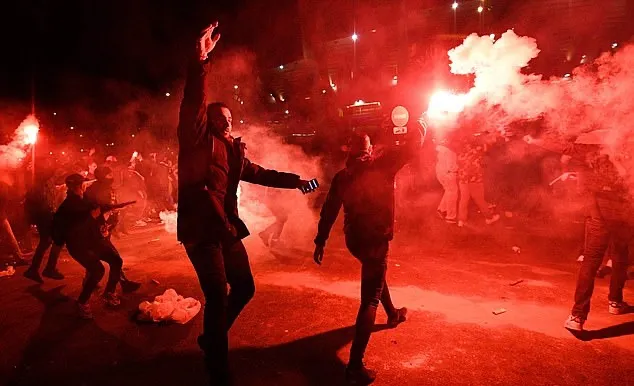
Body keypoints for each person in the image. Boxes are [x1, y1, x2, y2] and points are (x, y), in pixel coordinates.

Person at [177, 22, 318, 385]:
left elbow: (260, 172)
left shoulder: (233, 150)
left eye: (230, 118)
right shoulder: (197, 143)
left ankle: (213, 338)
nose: (228, 121)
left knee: (245, 288)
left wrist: (297, 181)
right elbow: (193, 101)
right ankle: (218, 368)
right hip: (200, 233)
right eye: (221, 117)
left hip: (225, 229)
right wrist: (200, 62)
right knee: (216, 295)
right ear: (207, 121)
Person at [313, 125, 423, 385]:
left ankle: (393, 313)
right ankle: (354, 366)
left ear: (349, 151)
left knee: (375, 273)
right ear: (369, 149)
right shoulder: (382, 165)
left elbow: (329, 209)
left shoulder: (342, 176)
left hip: (355, 240)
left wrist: (321, 239)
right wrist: (420, 123)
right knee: (369, 299)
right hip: (375, 240)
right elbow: (414, 146)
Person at [564, 151, 632, 331]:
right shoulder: (626, 152)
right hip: (623, 216)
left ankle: (577, 316)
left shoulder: (596, 156)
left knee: (591, 261)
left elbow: (582, 190)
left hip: (599, 216)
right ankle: (615, 302)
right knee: (619, 256)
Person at [52, 174, 124, 318]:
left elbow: (95, 209)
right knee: (98, 270)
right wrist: (92, 216)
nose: (83, 187)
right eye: (81, 185)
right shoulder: (68, 206)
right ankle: (82, 302)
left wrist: (109, 211)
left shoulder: (84, 199)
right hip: (79, 245)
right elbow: (71, 224)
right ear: (78, 186)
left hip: (94, 241)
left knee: (116, 260)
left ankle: (109, 292)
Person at [84, 166, 141, 293]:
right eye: (109, 175)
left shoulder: (105, 188)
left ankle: (89, 279)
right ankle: (112, 291)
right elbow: (97, 210)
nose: (111, 177)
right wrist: (110, 211)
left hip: (105, 228)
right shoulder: (95, 190)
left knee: (99, 254)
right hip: (98, 229)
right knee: (114, 258)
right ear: (102, 177)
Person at [23, 171, 64, 283]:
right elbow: (41, 203)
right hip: (44, 217)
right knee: (52, 241)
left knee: (49, 241)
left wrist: (58, 189)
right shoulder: (37, 185)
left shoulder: (48, 181)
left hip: (48, 215)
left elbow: (50, 196)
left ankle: (35, 269)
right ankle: (47, 268)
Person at [456, 132, 500, 227]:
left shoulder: (460, 152)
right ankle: (489, 218)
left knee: (463, 200)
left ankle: (461, 220)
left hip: (463, 179)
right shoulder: (477, 150)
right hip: (474, 179)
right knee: (480, 199)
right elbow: (485, 156)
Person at [435, 138, 458, 223]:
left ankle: (442, 209)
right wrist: (458, 169)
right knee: (452, 194)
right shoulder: (449, 152)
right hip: (448, 175)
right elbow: (450, 167)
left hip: (440, 173)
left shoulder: (440, 151)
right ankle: (450, 216)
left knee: (448, 191)